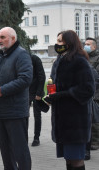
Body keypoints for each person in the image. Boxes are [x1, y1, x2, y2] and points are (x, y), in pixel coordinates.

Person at [46, 30, 95, 170]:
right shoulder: (59, 61)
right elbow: (54, 86)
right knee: (68, 159)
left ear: (70, 43)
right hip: (62, 122)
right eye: (57, 41)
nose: (57, 44)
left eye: (60, 41)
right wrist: (50, 97)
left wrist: (63, 95)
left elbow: (87, 89)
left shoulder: (79, 61)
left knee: (76, 160)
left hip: (76, 122)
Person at [0, 27, 32, 170]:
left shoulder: (21, 55)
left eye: (3, 37)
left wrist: (3, 90)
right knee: (6, 151)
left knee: (20, 151)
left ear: (13, 38)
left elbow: (25, 79)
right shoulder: (1, 56)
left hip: (15, 111)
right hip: (1, 110)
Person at [84, 37, 99, 151]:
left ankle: (95, 141)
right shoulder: (84, 57)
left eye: (88, 44)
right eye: (85, 44)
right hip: (87, 92)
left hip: (96, 93)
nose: (86, 46)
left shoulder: (97, 58)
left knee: (95, 119)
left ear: (94, 46)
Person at [29, 54, 46, 147]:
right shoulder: (18, 59)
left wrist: (39, 93)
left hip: (36, 92)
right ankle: (23, 137)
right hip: (25, 92)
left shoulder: (35, 59)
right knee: (23, 115)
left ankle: (36, 138)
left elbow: (41, 76)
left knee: (37, 115)